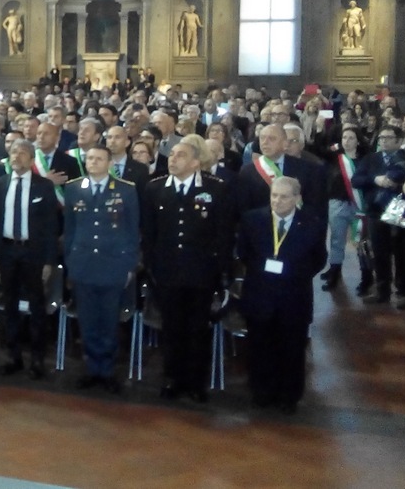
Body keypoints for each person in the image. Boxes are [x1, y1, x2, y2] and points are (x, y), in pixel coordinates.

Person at [142, 134, 233, 403]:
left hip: (201, 272)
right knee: (171, 328)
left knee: (197, 329)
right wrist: (151, 267)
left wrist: (222, 271)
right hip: (167, 272)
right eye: (171, 155)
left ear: (196, 162)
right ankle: (172, 378)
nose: (173, 159)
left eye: (180, 155)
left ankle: (195, 382)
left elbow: (223, 233)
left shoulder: (216, 188)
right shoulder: (155, 188)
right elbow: (149, 233)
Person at [236, 176, 327, 414]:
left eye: (284, 196)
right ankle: (261, 392)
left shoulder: (312, 223)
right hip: (260, 293)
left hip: (294, 296)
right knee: (259, 346)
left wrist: (293, 273)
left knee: (292, 349)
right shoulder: (252, 220)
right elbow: (244, 253)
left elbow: (319, 259)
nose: (277, 200)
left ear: (297, 199)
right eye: (274, 195)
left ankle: (289, 396)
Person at [63, 145, 139, 393]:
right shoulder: (74, 188)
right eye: (90, 158)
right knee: (87, 321)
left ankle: (106, 371)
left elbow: (131, 231)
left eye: (98, 159)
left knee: (108, 321)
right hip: (84, 264)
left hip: (112, 265)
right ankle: (91, 369)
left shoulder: (126, 190)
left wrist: (129, 264)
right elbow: (70, 228)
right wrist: (70, 261)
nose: (93, 162)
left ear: (109, 163)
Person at [0, 139, 62, 379]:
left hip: (34, 252)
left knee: (36, 306)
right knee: (9, 304)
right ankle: (14, 356)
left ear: (31, 160)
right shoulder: (0, 185)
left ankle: (38, 359)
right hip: (8, 251)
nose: (16, 156)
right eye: (13, 152)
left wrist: (49, 261)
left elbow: (52, 226)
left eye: (22, 153)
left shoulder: (44, 187)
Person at [351, 124, 405, 304]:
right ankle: (382, 290)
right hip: (375, 210)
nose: (384, 141)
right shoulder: (371, 159)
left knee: (400, 251)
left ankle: (403, 291)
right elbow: (356, 180)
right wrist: (375, 179)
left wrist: (396, 181)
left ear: (399, 140)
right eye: (381, 138)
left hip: (398, 208)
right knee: (379, 251)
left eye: (388, 137)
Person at [323, 125, 366, 292]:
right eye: (344, 138)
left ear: (358, 141)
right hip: (337, 203)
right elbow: (320, 149)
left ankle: (366, 275)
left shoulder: (365, 159)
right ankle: (335, 272)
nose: (347, 141)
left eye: (351, 138)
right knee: (336, 239)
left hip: (359, 206)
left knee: (361, 242)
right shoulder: (335, 157)